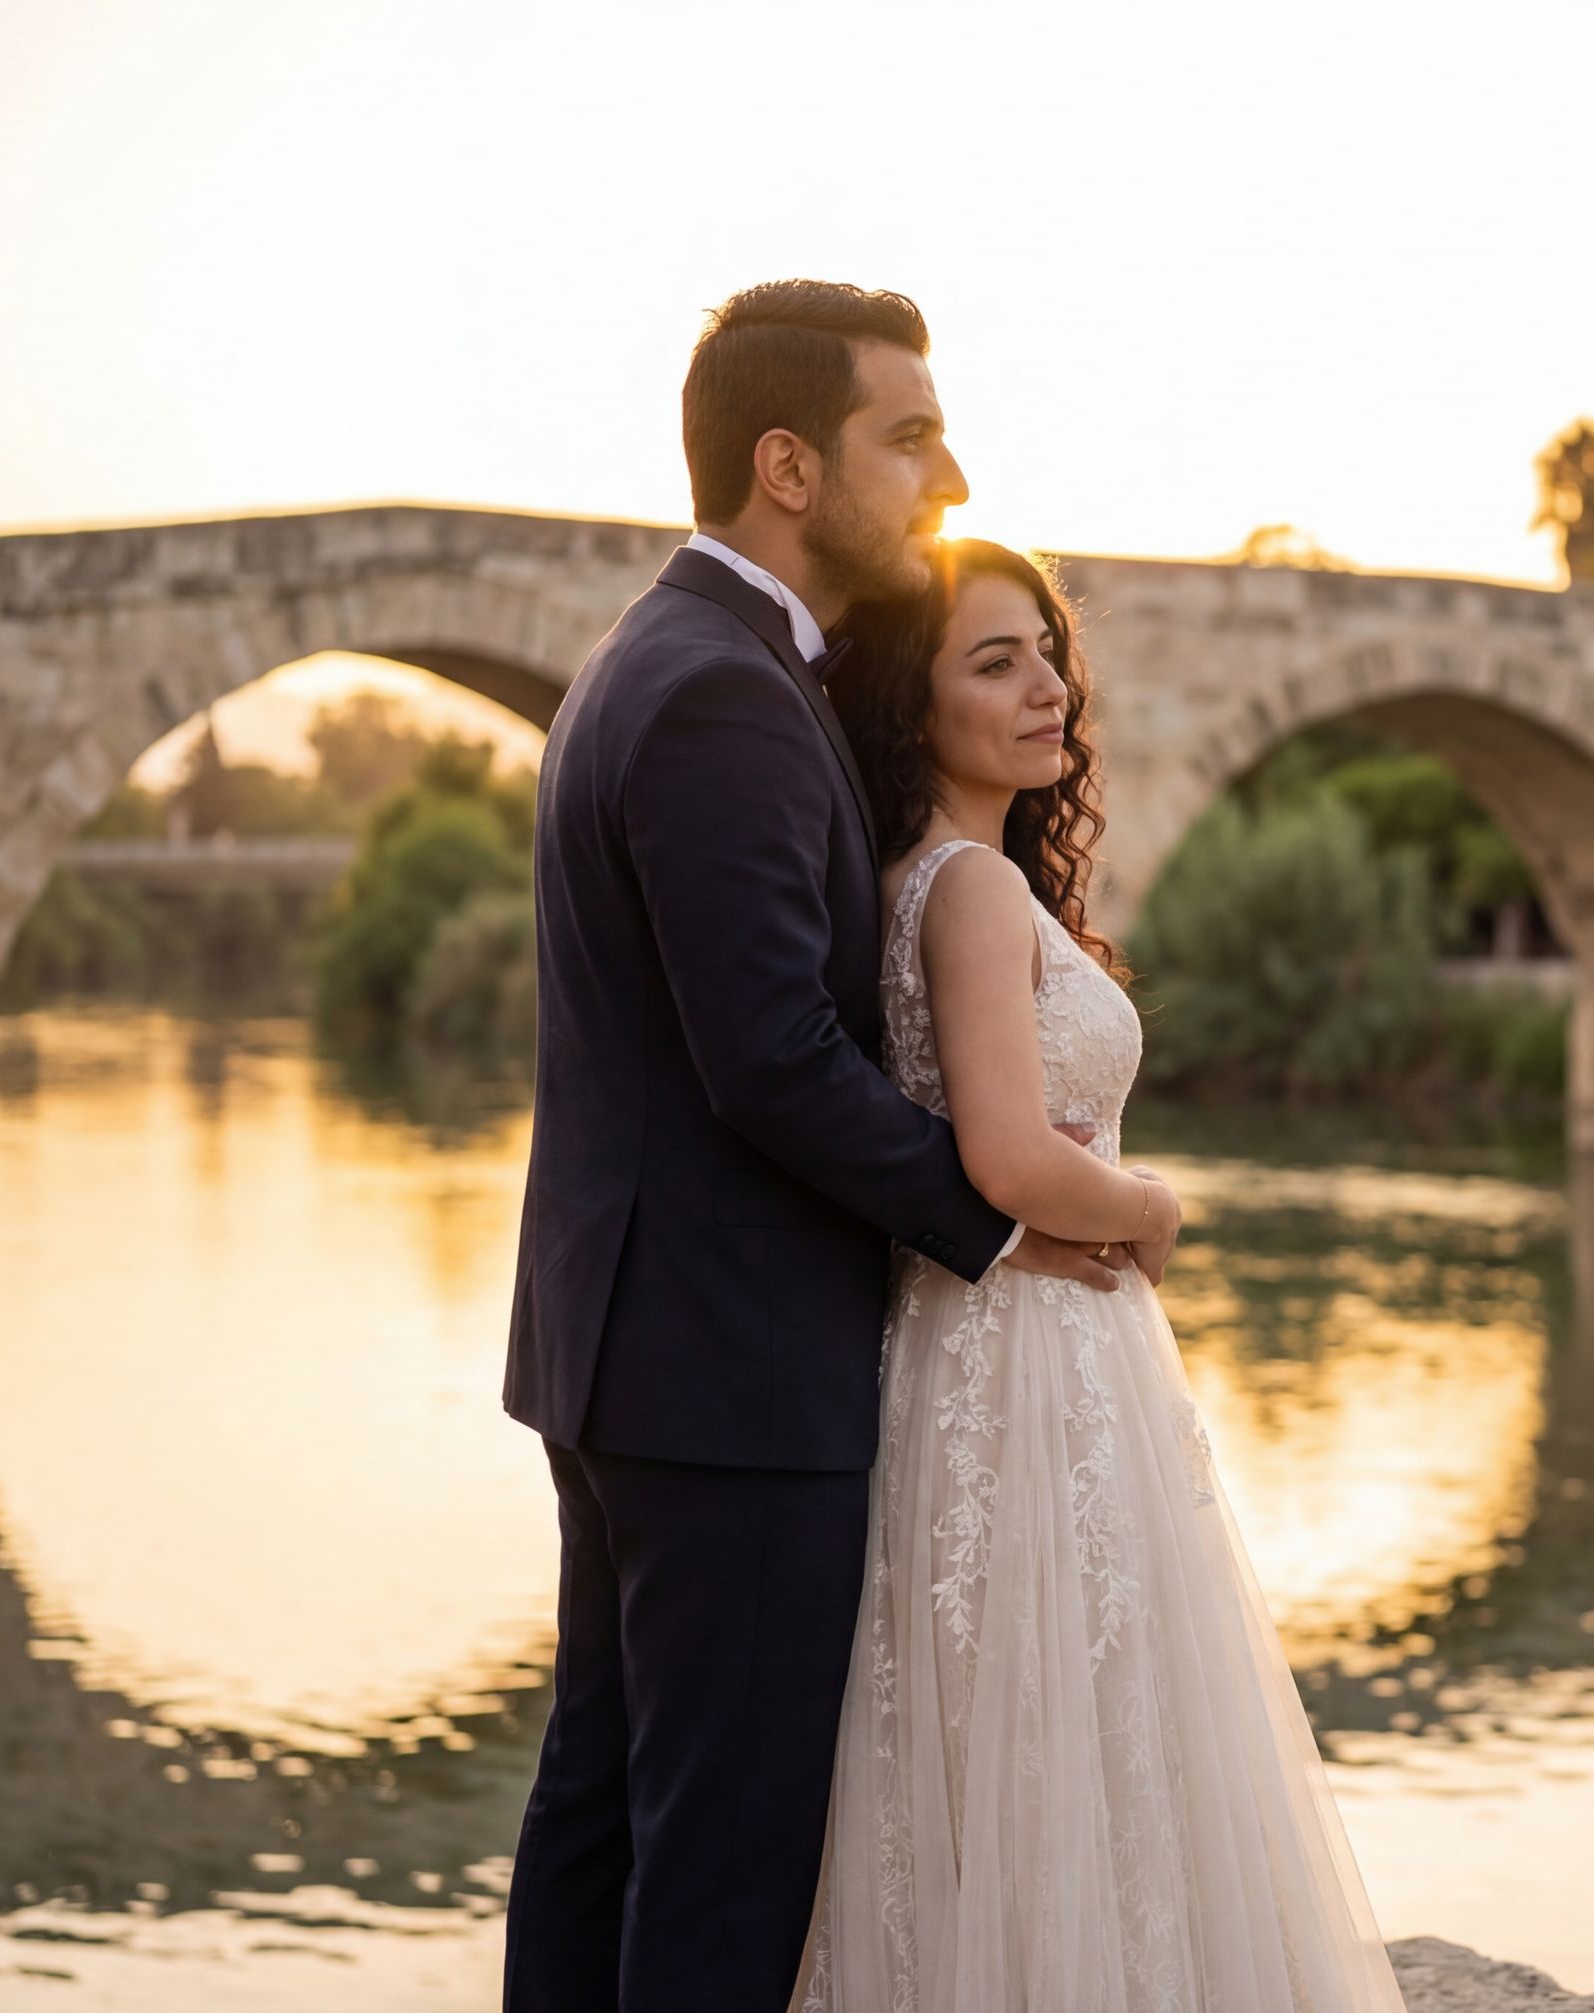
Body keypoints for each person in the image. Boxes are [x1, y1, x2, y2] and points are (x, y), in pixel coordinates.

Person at [499, 281, 1165, 2013]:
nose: (948, 476)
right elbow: (772, 1062)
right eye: (912, 435)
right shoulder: (718, 688)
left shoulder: (666, 658)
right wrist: (1012, 1218)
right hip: (723, 1370)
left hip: (635, 1347)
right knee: (719, 1862)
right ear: (789, 465)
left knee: (610, 1816)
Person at [795, 540, 1407, 2010]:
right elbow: (1008, 1152)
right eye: (992, 661)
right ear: (911, 706)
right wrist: (1152, 1203)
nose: (1045, 686)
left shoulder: (935, 882)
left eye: (1047, 653)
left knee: (1040, 1712)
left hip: (992, 1341)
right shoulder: (972, 894)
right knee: (1066, 1704)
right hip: (1031, 1350)